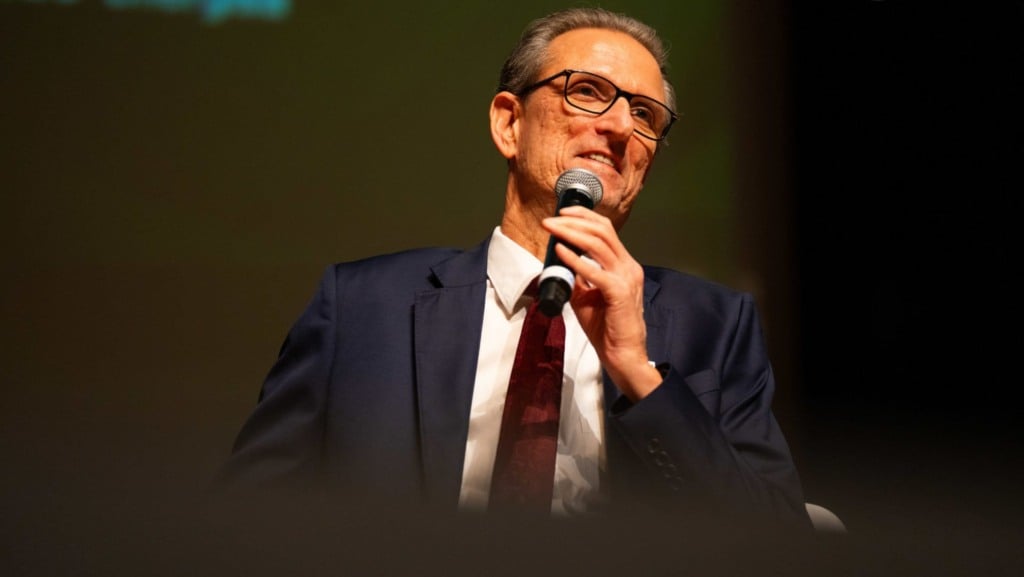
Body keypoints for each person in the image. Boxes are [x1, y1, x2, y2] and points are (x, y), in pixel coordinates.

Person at [220, 6, 810, 528]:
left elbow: (778, 541)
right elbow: (247, 515)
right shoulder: (361, 306)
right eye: (587, 91)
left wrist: (639, 375)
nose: (620, 126)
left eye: (646, 115)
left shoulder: (716, 324)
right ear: (509, 123)